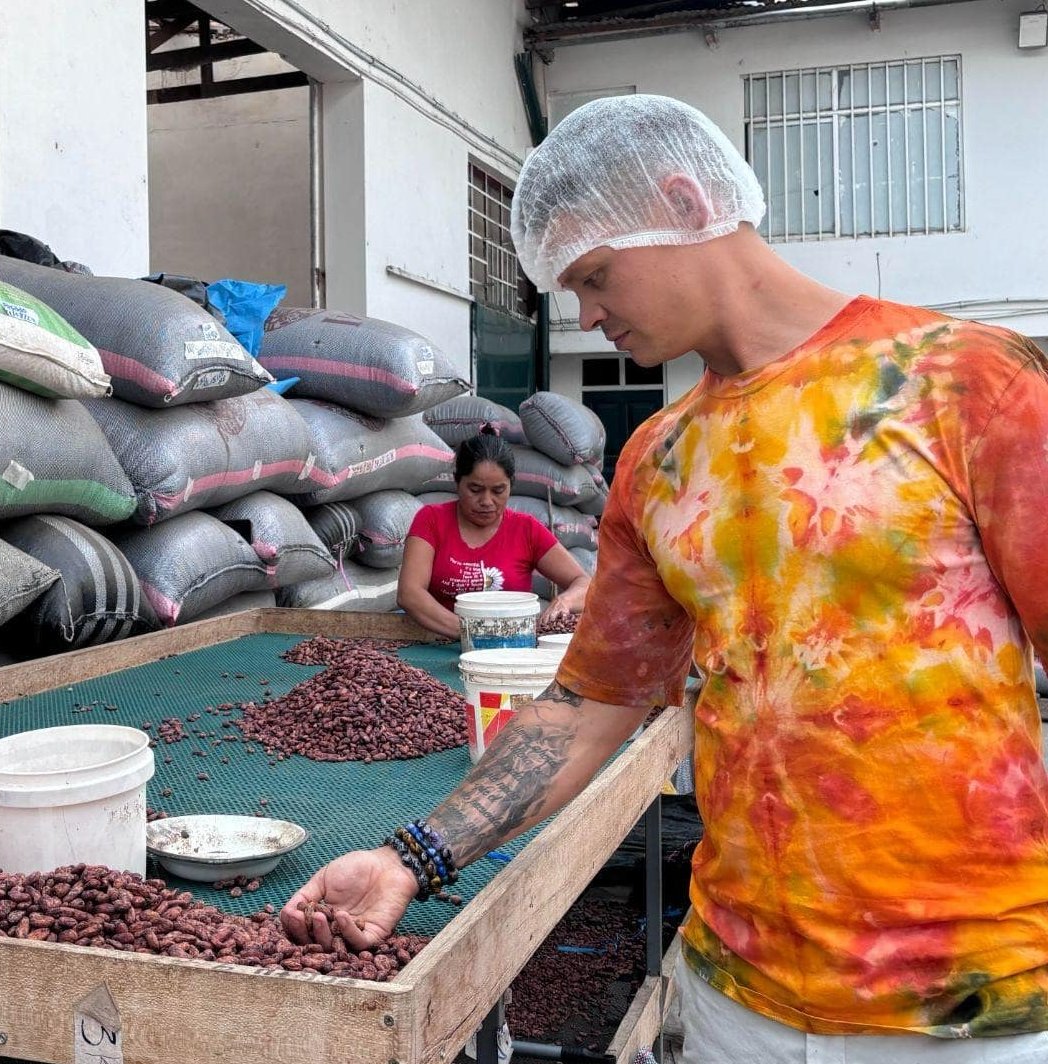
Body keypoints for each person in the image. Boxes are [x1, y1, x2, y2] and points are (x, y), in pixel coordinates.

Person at [283, 94, 1048, 1062]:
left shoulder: (960, 382)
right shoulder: (661, 456)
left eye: (596, 275)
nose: (588, 313)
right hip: (738, 995)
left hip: (970, 1004)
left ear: (687, 204)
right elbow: (591, 698)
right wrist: (412, 856)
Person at [398, 433, 590, 640]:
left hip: (509, 649)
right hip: (439, 644)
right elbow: (410, 593)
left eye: (498, 491)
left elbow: (584, 583)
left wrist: (565, 601)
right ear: (457, 482)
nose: (487, 501)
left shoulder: (526, 529)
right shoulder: (431, 520)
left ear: (511, 485)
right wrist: (474, 633)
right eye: (475, 489)